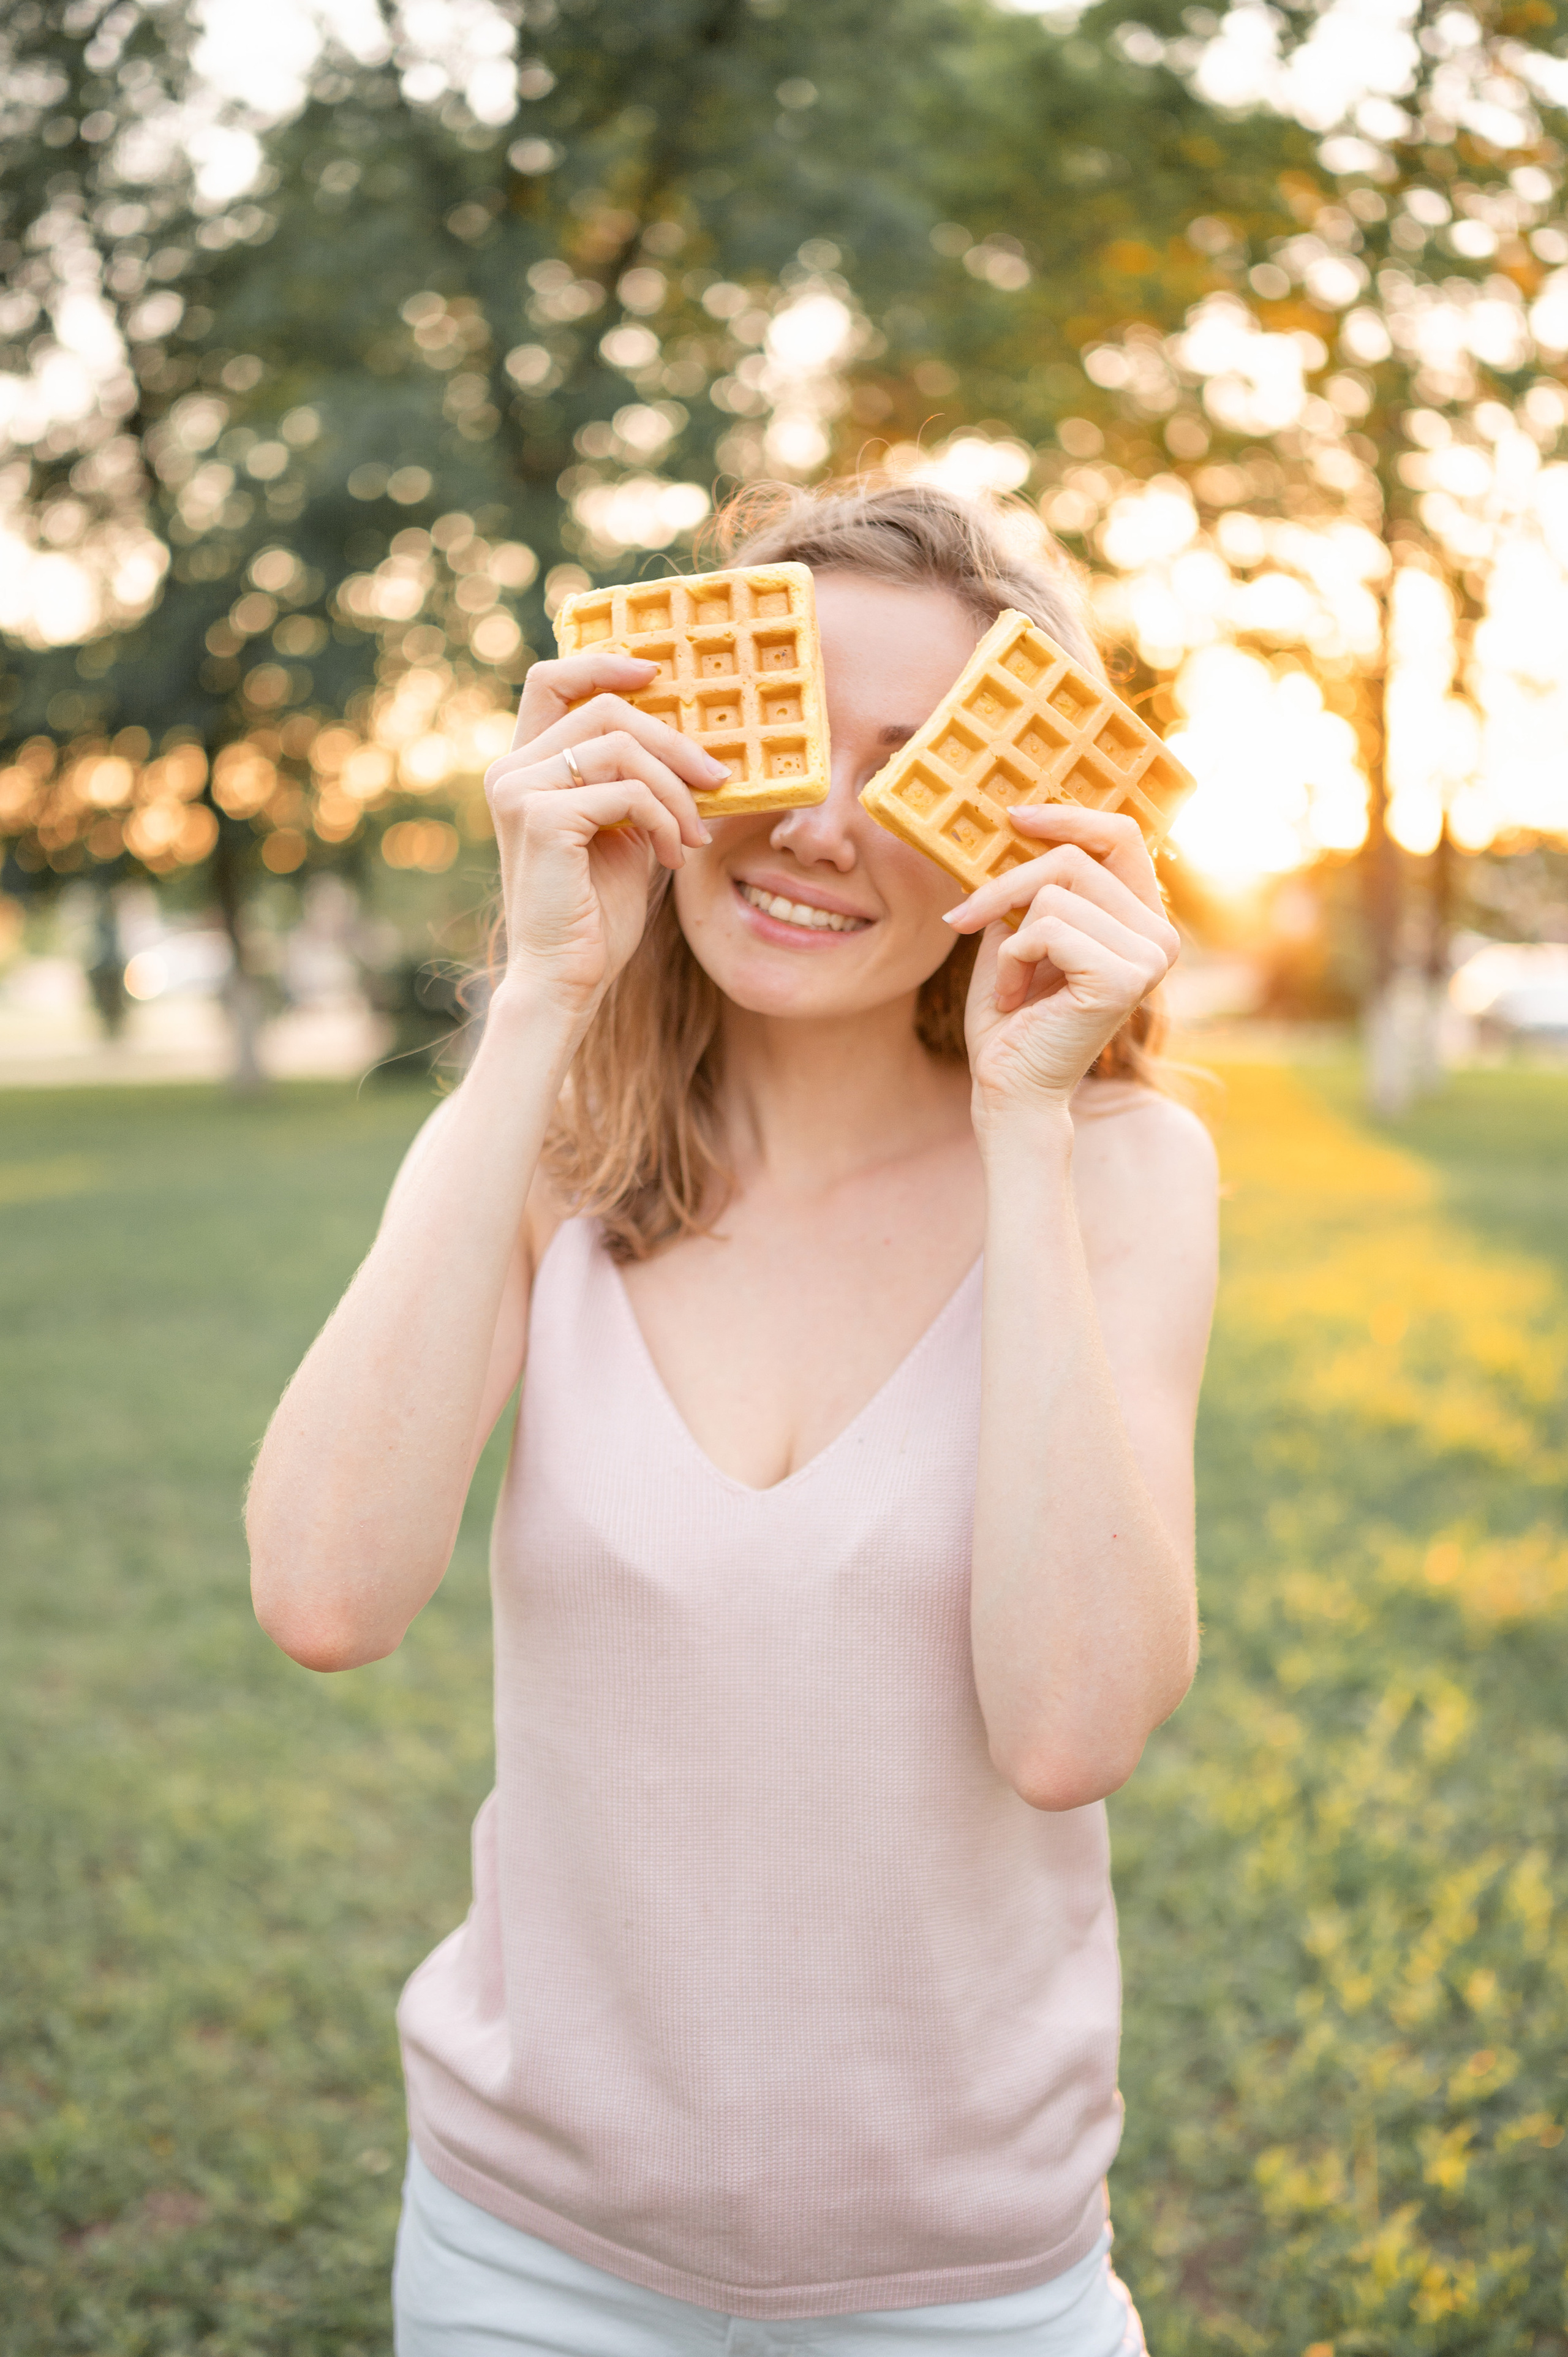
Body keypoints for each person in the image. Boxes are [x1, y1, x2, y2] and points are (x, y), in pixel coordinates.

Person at [247, 480, 1218, 2355]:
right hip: (530, 2252)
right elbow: (323, 1597)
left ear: (1023, 824)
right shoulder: (548, 1159)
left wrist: (1028, 1114)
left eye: (918, 761)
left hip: (970, 2279)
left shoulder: (1118, 1173)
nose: (826, 823)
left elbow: (1072, 1726)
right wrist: (541, 997)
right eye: (787, 733)